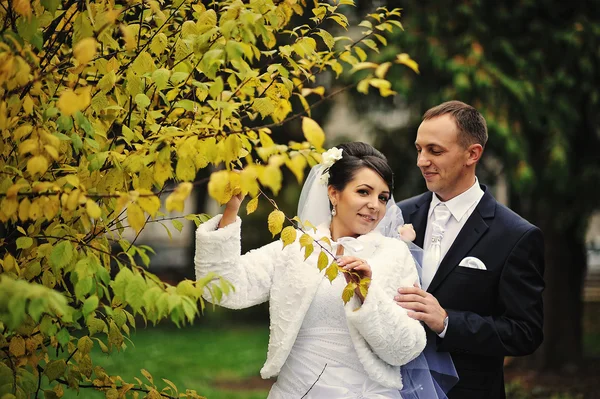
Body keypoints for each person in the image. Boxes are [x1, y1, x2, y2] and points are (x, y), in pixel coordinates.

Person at [195, 142, 428, 398]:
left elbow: (406, 348)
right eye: (364, 192)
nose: (375, 205)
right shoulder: (296, 248)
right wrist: (231, 210)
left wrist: (367, 294)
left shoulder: (394, 255)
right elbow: (219, 288)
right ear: (333, 193)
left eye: (383, 197)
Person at [395, 101, 545, 399]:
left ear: (472, 154)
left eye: (435, 151)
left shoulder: (515, 235)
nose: (421, 161)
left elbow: (524, 333)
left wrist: (448, 322)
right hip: (394, 388)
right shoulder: (399, 215)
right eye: (419, 149)